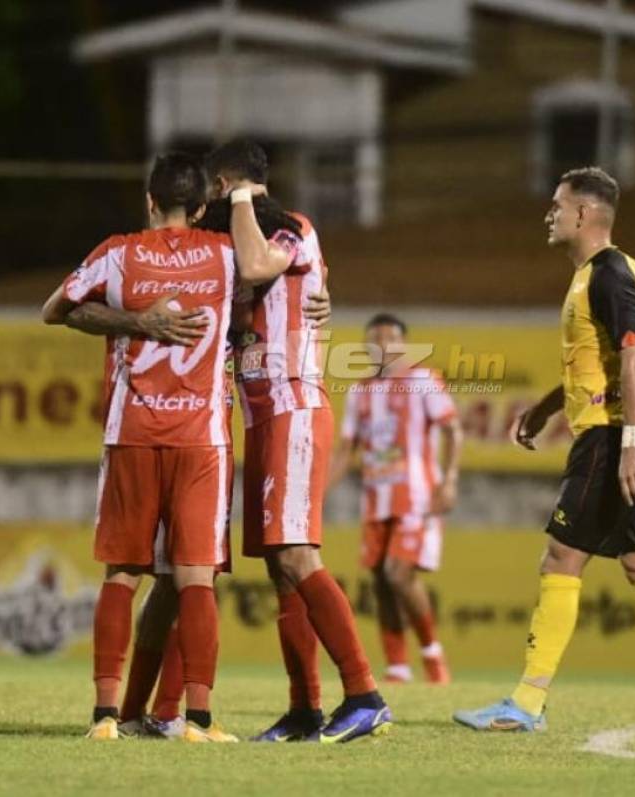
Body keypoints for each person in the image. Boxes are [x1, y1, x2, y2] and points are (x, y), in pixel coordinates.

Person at [453, 167, 635, 734]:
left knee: (561, 558)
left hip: (612, 440)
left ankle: (527, 702)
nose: (549, 213)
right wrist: (544, 408)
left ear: (583, 214)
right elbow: (600, 361)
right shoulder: (591, 277)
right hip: (613, 435)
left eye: (557, 204)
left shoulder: (610, 274)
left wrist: (631, 441)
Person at [41, 152, 238, 743]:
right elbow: (280, 275)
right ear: (203, 208)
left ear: (149, 200)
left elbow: (56, 311)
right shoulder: (227, 256)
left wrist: (135, 322)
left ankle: (105, 717)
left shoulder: (119, 252)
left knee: (122, 575)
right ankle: (197, 721)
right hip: (202, 437)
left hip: (133, 431)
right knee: (196, 578)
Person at [217, 139, 391, 743]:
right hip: (261, 414)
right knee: (279, 570)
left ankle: (365, 693)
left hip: (294, 406)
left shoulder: (290, 230)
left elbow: (258, 267)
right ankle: (304, 710)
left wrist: (239, 195)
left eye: (223, 189)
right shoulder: (241, 240)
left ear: (228, 185)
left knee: (297, 555)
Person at [329, 313, 461, 684]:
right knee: (380, 579)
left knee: (398, 573)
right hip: (375, 497)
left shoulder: (423, 381)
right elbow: (346, 449)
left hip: (417, 496)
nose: (383, 344)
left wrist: (448, 481)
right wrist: (318, 492)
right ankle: (398, 667)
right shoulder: (360, 392)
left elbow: (453, 430)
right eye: (375, 338)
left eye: (391, 337)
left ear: (404, 345)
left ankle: (433, 656)